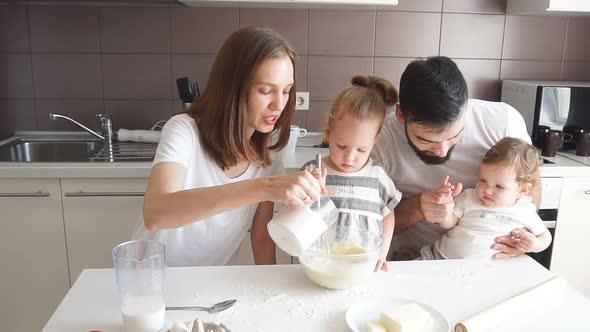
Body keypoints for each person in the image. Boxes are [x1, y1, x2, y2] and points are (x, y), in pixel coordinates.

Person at [132, 27, 326, 267]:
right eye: (265, 90)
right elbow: (156, 213)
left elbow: (262, 236)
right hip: (152, 280)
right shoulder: (184, 130)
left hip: (213, 285)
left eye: (286, 91)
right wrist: (264, 187)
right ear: (233, 88)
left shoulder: (270, 154)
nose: (279, 104)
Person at [371, 56, 539, 260]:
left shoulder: (502, 122)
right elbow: (369, 225)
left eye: (453, 137)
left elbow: (532, 185)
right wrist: (418, 207)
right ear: (401, 116)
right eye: (426, 140)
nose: (441, 151)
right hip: (411, 260)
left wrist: (523, 238)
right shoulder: (381, 139)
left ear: (465, 109)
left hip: (491, 261)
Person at [304, 75, 401, 271]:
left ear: (375, 140)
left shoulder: (377, 177)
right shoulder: (312, 170)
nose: (349, 157)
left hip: (362, 266)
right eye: (341, 145)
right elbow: (295, 211)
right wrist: (307, 193)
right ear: (328, 132)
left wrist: (382, 254)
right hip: (321, 264)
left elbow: (388, 216)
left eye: (361, 150)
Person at [419, 137, 551, 260]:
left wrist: (535, 244)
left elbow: (546, 237)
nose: (487, 190)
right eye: (483, 180)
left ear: (522, 190)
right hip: (440, 257)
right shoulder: (469, 197)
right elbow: (449, 224)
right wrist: (445, 210)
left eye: (499, 186)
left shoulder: (524, 210)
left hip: (487, 271)